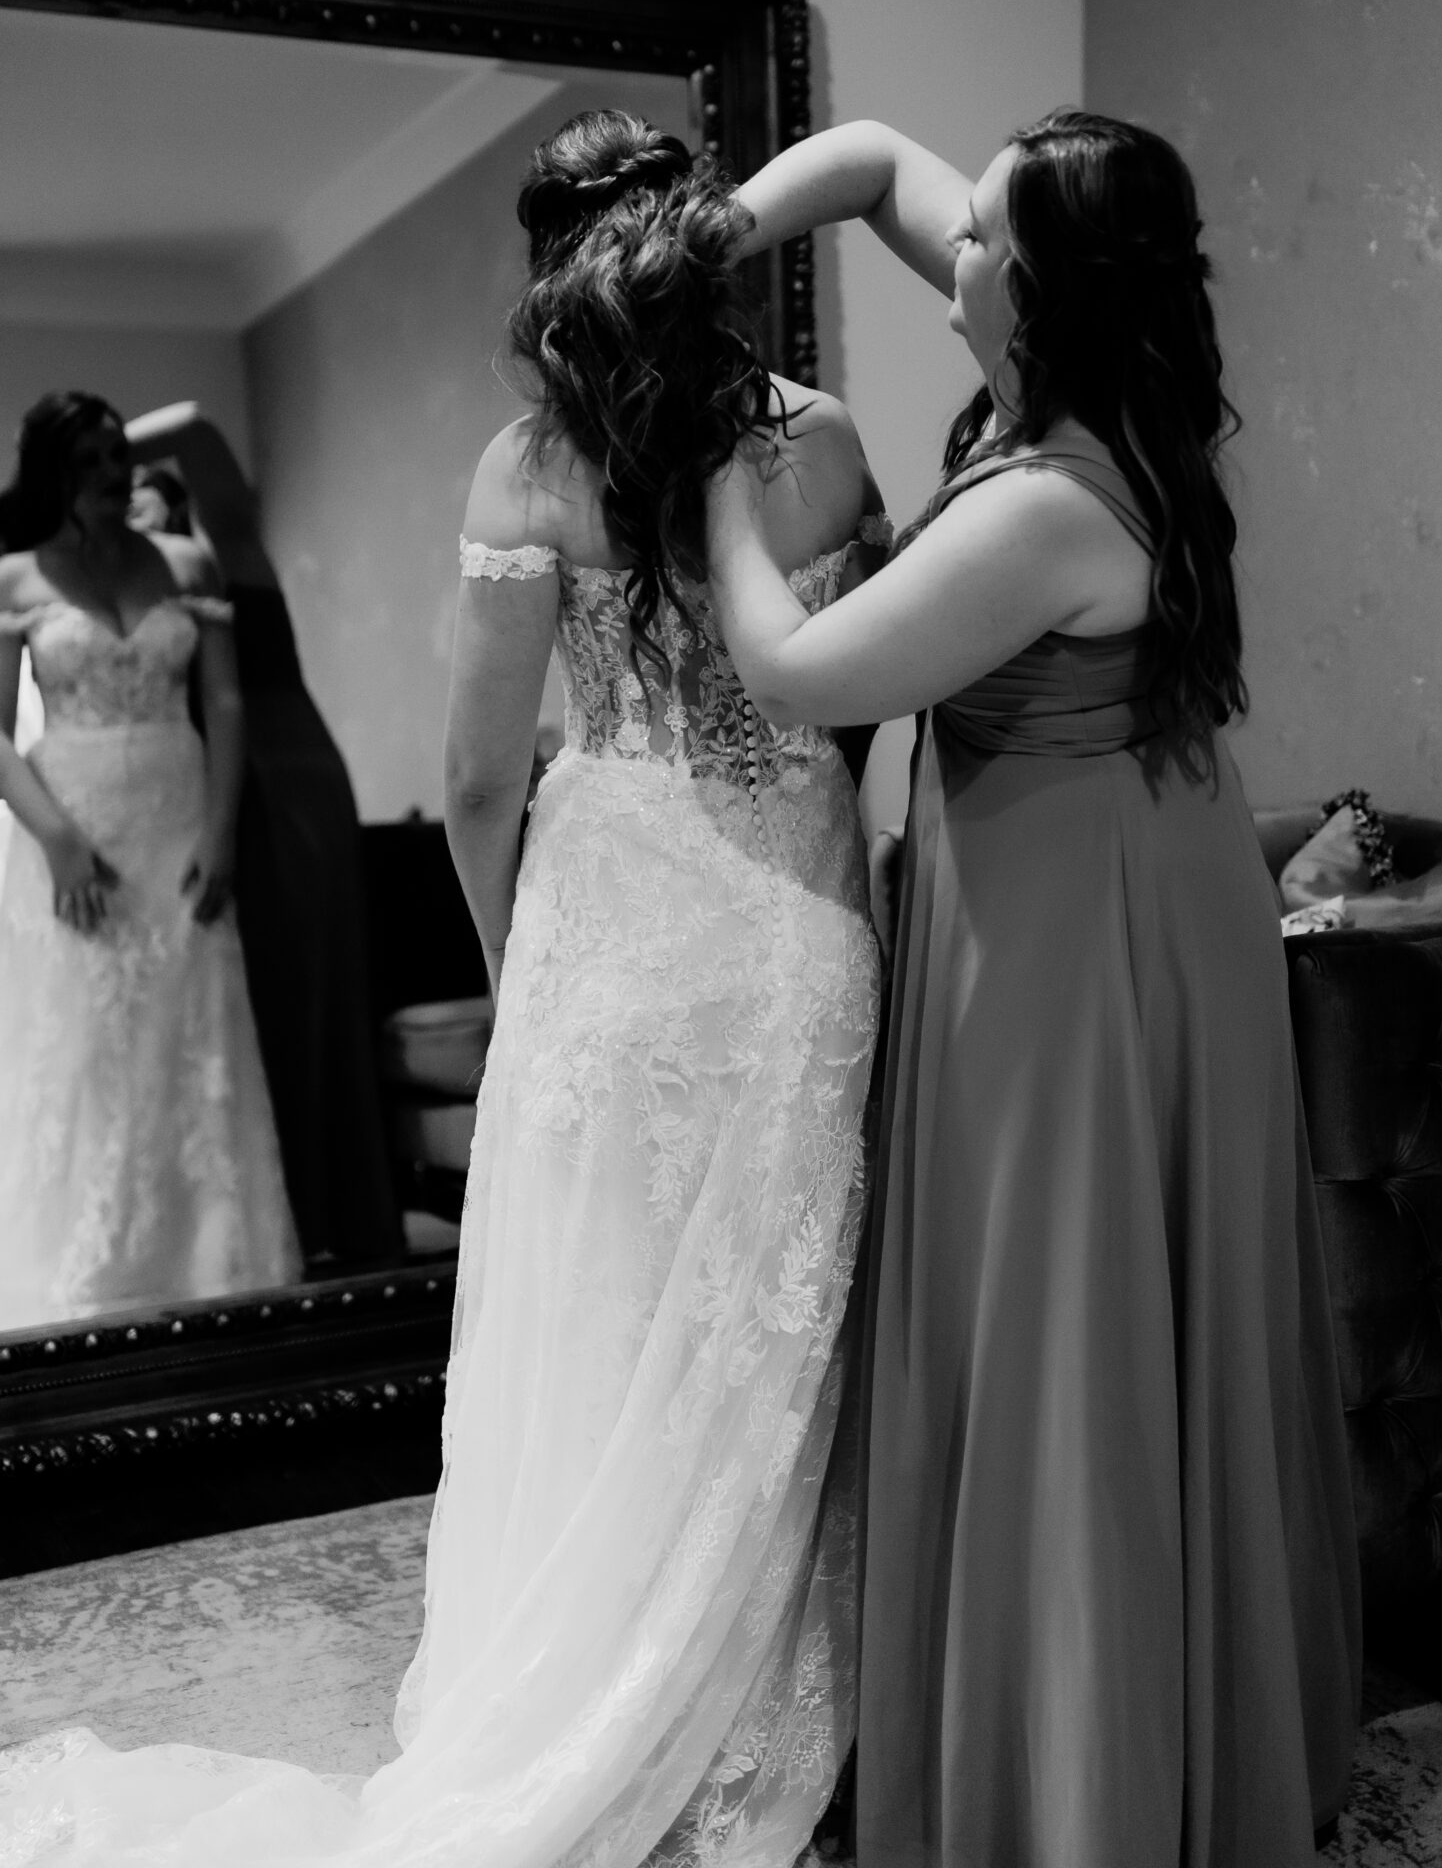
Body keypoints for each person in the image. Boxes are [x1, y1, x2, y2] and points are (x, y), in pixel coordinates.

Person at [0, 112, 887, 1865]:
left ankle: (606, 1688)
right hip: (795, 914)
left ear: (553, 265)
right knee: (773, 1333)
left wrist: (514, 959)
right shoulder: (822, 440)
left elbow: (482, 780)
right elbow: (849, 698)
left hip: (613, 917)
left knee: (605, 1331)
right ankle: (777, 1706)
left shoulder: (527, 469)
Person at [708, 111, 1363, 1868]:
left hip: (1080, 935)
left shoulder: (1052, 507)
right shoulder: (1100, 386)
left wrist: (708, 477)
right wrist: (708, 246)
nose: (954, 258)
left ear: (1052, 284)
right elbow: (866, 160)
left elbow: (794, 674)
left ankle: (1081, 1796)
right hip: (1124, 871)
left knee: (1063, 1326)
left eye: (983, 241)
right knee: (1088, 1309)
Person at [0, 392, 300, 1327]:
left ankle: (210, 1261)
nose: (108, 475)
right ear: (52, 473)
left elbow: (229, 705)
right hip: (72, 825)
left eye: (115, 455)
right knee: (84, 1042)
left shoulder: (186, 562)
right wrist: (56, 841)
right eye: (86, 460)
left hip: (178, 816)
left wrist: (220, 834)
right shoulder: (15, 578)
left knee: (190, 1026)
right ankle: (80, 1270)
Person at [124, 402, 400, 1269]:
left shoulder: (228, 553)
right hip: (204, 794)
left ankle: (336, 1220)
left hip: (285, 783)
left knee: (305, 996)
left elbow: (195, 427)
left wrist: (80, 452)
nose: (120, 506)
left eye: (135, 493)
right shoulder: (126, 587)